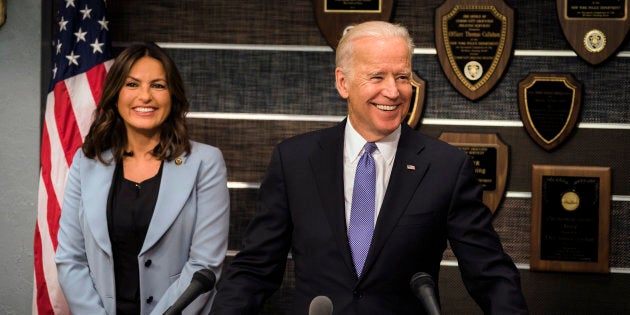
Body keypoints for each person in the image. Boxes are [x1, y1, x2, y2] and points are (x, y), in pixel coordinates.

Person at [211, 21, 528, 314]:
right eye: (377, 76)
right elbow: (255, 269)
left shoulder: (446, 166)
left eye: (402, 77)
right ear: (343, 82)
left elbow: (490, 274)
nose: (393, 91)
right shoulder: (295, 160)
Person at [55, 42, 230, 315]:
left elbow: (204, 264)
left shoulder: (205, 163)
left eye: (158, 85)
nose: (145, 96)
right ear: (115, 94)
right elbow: (70, 259)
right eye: (132, 84)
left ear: (173, 96)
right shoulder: (86, 163)